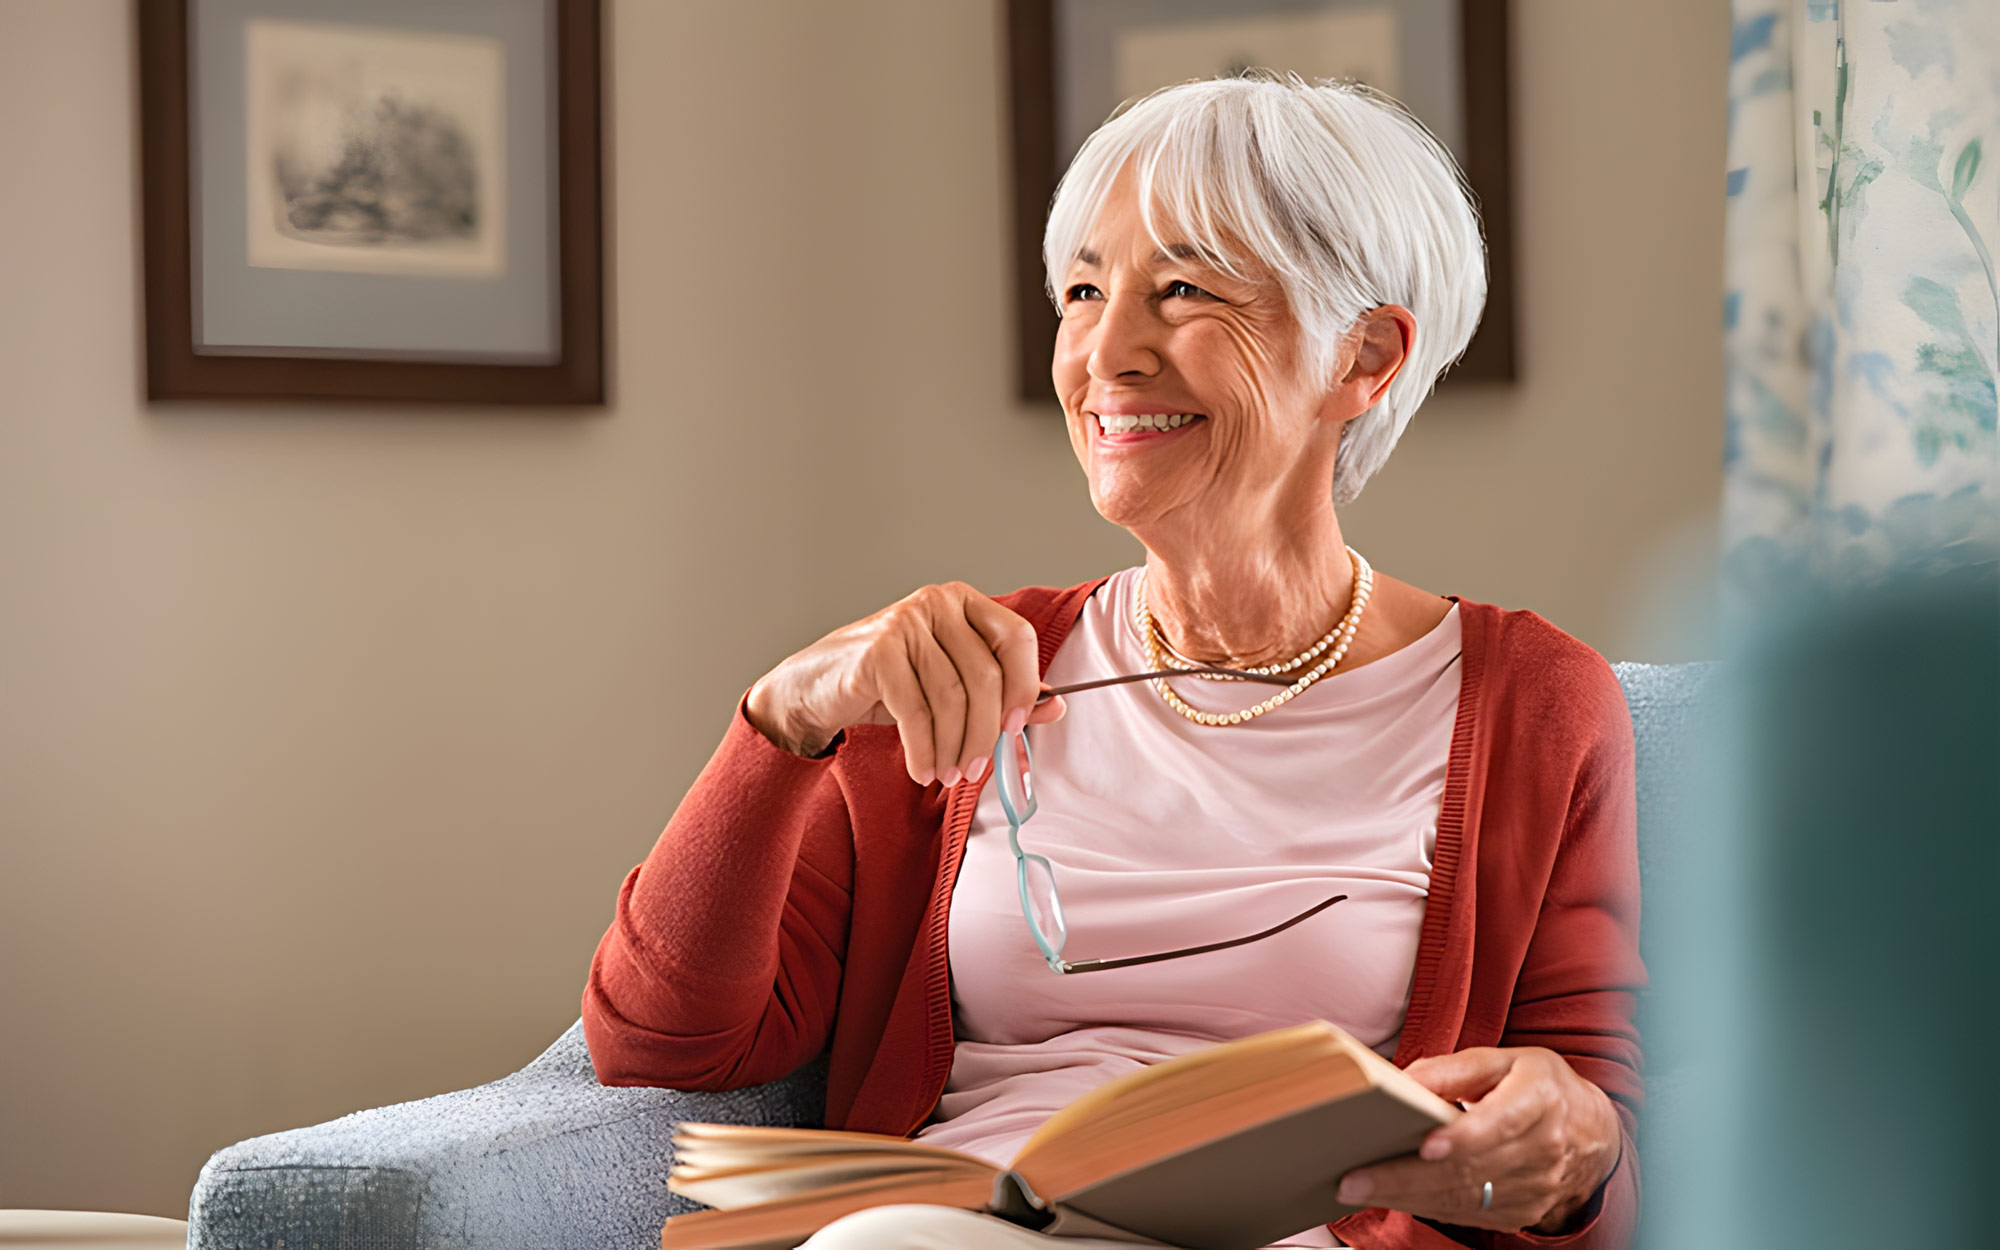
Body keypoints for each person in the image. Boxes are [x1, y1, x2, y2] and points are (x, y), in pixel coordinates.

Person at [584, 74, 1642, 1250]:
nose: (1104, 352)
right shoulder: (958, 668)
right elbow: (662, 1046)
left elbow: (1585, 1158)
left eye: (1181, 291)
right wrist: (781, 721)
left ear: (1362, 356)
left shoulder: (1529, 701)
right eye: (1082, 290)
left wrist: (1572, 1146)